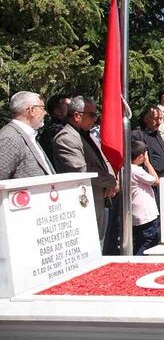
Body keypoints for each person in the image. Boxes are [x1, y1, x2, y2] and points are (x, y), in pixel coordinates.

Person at [53, 96, 118, 238]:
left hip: (101, 198)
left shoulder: (88, 135)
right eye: (92, 115)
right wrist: (112, 182)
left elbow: (104, 159)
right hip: (85, 203)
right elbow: (82, 171)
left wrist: (112, 179)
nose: (95, 119)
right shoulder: (66, 138)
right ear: (77, 116)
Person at [0, 91, 55, 179]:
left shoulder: (28, 134)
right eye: (42, 108)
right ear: (31, 110)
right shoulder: (9, 137)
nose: (45, 113)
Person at [129, 140, 160, 255]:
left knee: (140, 242)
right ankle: (137, 265)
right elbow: (156, 180)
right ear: (141, 156)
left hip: (137, 214)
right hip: (145, 214)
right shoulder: (137, 170)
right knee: (147, 243)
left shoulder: (124, 168)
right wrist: (147, 163)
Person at [131, 105, 164, 177]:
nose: (159, 122)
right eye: (156, 119)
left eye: (161, 119)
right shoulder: (138, 134)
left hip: (162, 176)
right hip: (148, 178)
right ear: (146, 119)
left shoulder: (156, 132)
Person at [37, 94, 71, 165]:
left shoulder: (64, 128)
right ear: (57, 111)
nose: (73, 109)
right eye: (68, 106)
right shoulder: (57, 132)